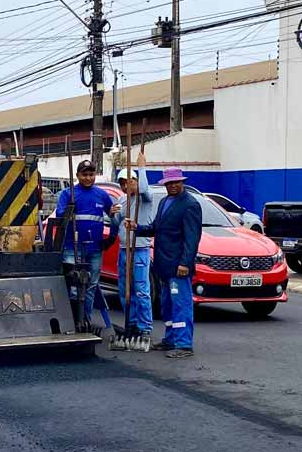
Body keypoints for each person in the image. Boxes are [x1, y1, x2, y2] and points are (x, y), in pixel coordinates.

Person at [128, 167, 202, 359]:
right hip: (163, 264)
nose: (173, 186)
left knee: (181, 305)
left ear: (182, 182)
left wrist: (185, 263)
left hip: (178, 267)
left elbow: (192, 239)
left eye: (176, 182)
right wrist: (138, 228)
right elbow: (157, 228)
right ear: (165, 184)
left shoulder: (190, 205)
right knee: (167, 305)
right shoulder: (164, 202)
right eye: (169, 183)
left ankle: (184, 344)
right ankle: (170, 339)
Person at [54, 159, 115, 325]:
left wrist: (111, 238)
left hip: (94, 249)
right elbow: (60, 216)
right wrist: (69, 208)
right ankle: (71, 322)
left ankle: (85, 321)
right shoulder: (68, 194)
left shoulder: (101, 195)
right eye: (84, 174)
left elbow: (115, 216)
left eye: (91, 174)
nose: (88, 178)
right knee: (72, 285)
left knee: (90, 286)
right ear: (77, 175)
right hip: (71, 248)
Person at [110, 150, 155, 349]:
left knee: (141, 289)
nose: (126, 185)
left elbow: (144, 188)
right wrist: (113, 215)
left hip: (139, 249)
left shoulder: (145, 198)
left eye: (130, 181)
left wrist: (141, 167)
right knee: (124, 288)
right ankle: (132, 323)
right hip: (123, 249)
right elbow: (116, 223)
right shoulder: (122, 200)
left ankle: (145, 327)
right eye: (122, 183)